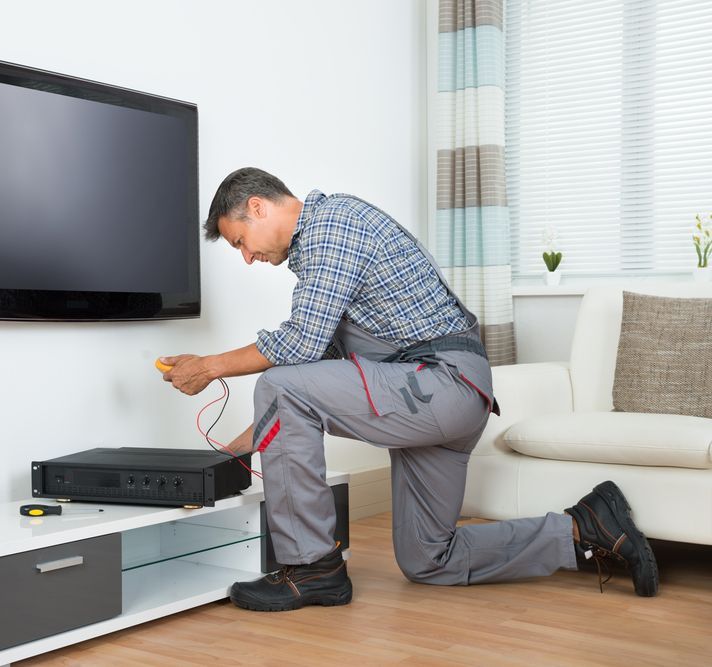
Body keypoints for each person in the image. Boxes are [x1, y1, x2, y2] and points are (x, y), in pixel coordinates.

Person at [159, 167, 659, 611]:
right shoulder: (324, 247)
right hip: (446, 392)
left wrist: (209, 366)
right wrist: (244, 444)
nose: (247, 258)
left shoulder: (333, 226)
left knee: (279, 382)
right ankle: (586, 528)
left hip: (439, 383)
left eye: (239, 242)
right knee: (428, 558)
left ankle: (313, 569)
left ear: (257, 207)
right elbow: (323, 367)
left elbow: (298, 344)